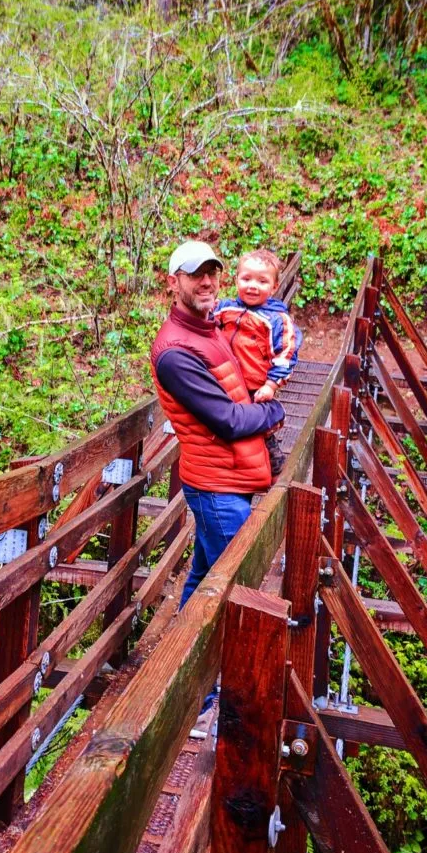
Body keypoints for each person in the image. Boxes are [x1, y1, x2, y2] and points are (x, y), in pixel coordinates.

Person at [150, 240, 285, 609]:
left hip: (229, 478)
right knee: (237, 588)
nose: (206, 281)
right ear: (173, 282)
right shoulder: (176, 353)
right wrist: (275, 412)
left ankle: (179, 646)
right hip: (216, 487)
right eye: (195, 274)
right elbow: (227, 420)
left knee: (207, 573)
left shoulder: (210, 328)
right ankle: (201, 661)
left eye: (211, 272)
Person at [214, 248, 300, 477]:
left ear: (273, 287)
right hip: (226, 381)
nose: (253, 285)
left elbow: (287, 353)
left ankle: (274, 466)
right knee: (229, 423)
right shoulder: (224, 308)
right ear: (236, 281)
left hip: (256, 384)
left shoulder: (276, 319)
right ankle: (235, 466)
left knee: (260, 428)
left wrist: (271, 385)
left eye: (262, 281)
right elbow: (204, 324)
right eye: (246, 278)